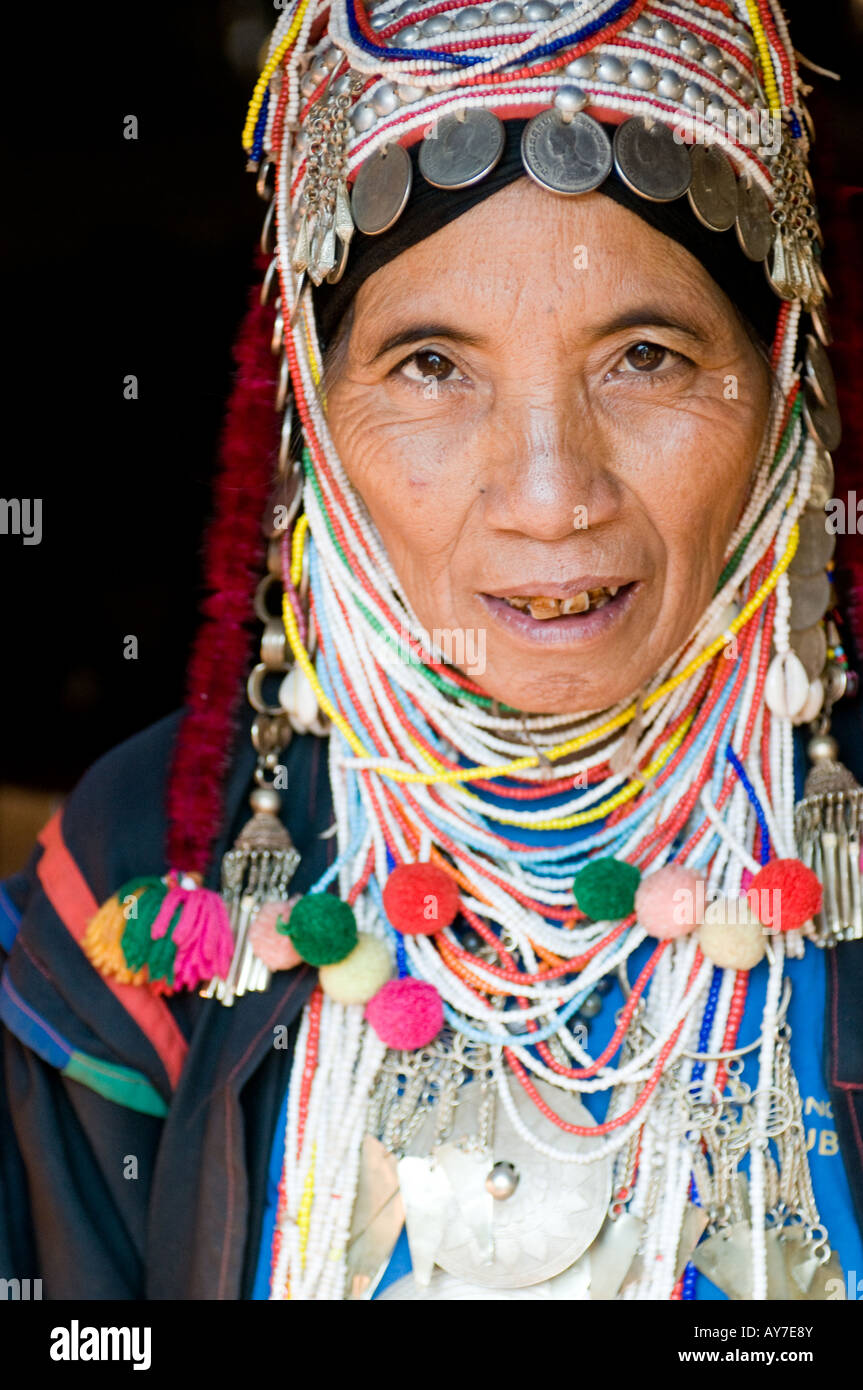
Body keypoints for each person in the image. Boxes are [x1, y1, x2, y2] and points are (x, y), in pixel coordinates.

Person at [2, 0, 862, 1302]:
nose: (549, 491)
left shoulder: (833, 847)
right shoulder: (145, 866)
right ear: (315, 422)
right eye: (430, 366)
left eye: (644, 354)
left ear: (781, 387)